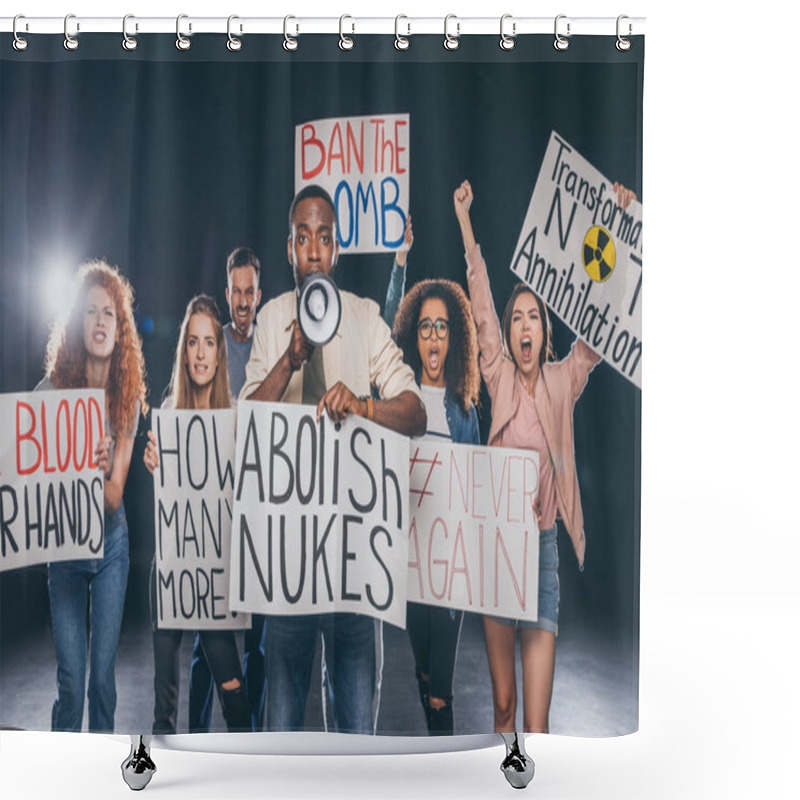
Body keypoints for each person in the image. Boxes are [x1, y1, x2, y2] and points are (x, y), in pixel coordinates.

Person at [241, 184, 426, 734]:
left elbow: (415, 412)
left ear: (337, 248)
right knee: (281, 731)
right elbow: (245, 424)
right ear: (290, 249)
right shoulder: (273, 320)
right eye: (303, 237)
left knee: (355, 739)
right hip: (287, 572)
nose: (314, 250)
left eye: (324, 237)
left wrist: (365, 405)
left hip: (352, 569)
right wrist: (291, 359)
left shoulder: (366, 318)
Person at [453, 178, 634, 735]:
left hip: (543, 555)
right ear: (507, 335)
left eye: (533, 316)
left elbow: (601, 327)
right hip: (495, 553)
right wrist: (465, 221)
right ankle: (507, 785)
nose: (523, 324)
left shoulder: (562, 379)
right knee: (503, 710)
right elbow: (480, 301)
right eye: (516, 319)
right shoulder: (499, 374)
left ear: (544, 329)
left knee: (538, 721)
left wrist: (614, 225)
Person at [38, 260, 148, 732]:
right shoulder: (49, 392)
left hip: (110, 547)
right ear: (76, 322)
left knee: (101, 680)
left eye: (109, 313)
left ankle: (100, 776)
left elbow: (114, 496)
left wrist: (97, 467)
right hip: (63, 550)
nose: (100, 321)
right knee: (71, 682)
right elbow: (33, 481)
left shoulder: (129, 399)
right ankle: (62, 771)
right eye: (90, 312)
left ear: (120, 329)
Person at [143, 294, 250, 734]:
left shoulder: (235, 416)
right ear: (184, 351)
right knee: (164, 700)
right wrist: (154, 462)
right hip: (171, 573)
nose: (201, 352)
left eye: (209, 342)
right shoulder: (168, 414)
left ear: (219, 352)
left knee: (233, 690)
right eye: (193, 342)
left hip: (217, 575)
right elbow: (170, 503)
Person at [389, 271, 481, 735]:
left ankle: (446, 775)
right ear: (414, 334)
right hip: (407, 566)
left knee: (441, 688)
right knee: (424, 676)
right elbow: (385, 326)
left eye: (442, 326)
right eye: (425, 326)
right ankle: (436, 750)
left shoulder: (465, 411)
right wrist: (399, 261)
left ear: (453, 337)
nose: (434, 335)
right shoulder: (400, 398)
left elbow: (482, 486)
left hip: (449, 572)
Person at [188, 247, 267, 733]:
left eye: (249, 292)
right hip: (211, 517)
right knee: (205, 643)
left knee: (258, 642)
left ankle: (250, 739)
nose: (241, 300)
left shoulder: (270, 346)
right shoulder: (209, 344)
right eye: (235, 291)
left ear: (260, 295)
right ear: (227, 292)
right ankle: (191, 739)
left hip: (255, 518)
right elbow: (186, 397)